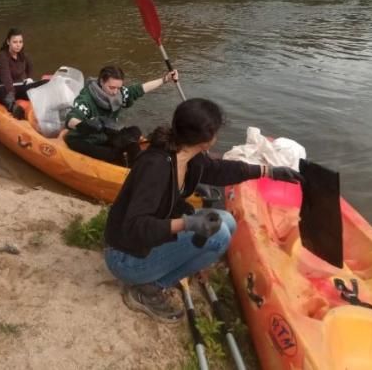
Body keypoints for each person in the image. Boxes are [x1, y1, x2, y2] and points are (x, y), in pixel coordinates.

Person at [104, 98, 303, 323]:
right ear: (207, 139)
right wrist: (187, 224)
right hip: (125, 256)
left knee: (226, 221)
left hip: (147, 242)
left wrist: (269, 171)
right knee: (218, 237)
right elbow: (134, 227)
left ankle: (160, 273)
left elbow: (220, 170)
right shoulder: (155, 166)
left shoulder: (189, 156)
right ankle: (147, 290)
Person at [65, 64, 179, 166]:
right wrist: (94, 124)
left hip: (105, 134)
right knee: (111, 154)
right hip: (83, 138)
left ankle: (139, 165)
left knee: (135, 131)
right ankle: (121, 162)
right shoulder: (86, 99)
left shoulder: (119, 94)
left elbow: (139, 89)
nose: (115, 92)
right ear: (101, 82)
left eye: (118, 88)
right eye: (112, 87)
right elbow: (70, 120)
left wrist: (165, 79)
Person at [0, 28, 47, 118]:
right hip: (4, 87)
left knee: (45, 83)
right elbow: (6, 77)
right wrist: (11, 93)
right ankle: (14, 108)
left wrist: (29, 78)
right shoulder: (2, 56)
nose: (18, 45)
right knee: (8, 96)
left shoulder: (23, 55)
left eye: (20, 42)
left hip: (19, 86)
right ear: (8, 42)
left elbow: (30, 67)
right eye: (15, 42)